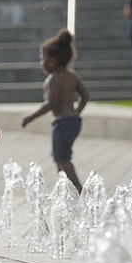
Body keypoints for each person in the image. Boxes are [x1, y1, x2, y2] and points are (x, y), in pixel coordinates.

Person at [22, 28, 89, 193]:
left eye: (42, 58)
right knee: (60, 157)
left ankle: (80, 191)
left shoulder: (53, 79)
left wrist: (30, 117)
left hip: (61, 122)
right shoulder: (72, 76)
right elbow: (85, 96)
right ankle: (63, 191)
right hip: (74, 121)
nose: (41, 62)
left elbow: (51, 104)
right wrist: (76, 113)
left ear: (53, 61)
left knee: (63, 159)